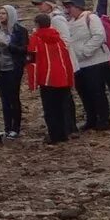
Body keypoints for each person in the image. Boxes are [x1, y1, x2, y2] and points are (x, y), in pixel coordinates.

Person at [63, 0, 110, 133]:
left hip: (95, 61)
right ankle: (91, 119)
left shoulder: (91, 18)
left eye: (70, 6)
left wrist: (86, 51)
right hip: (79, 64)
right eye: (66, 7)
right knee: (84, 93)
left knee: (97, 91)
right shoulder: (70, 22)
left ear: (78, 6)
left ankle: (103, 119)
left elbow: (99, 36)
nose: (68, 10)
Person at [27, 13, 77, 143]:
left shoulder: (36, 38)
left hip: (47, 78)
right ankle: (64, 132)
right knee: (62, 106)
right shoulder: (58, 37)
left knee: (50, 108)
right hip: (62, 76)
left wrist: (33, 81)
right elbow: (66, 57)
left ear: (37, 25)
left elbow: (32, 60)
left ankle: (54, 135)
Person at [0, 3, 29, 139]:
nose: (1, 16)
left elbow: (23, 50)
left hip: (14, 67)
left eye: (4, 13)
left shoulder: (20, 30)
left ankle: (16, 127)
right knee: (4, 98)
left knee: (13, 97)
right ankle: (7, 127)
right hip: (0, 68)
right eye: (0, 13)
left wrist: (8, 44)